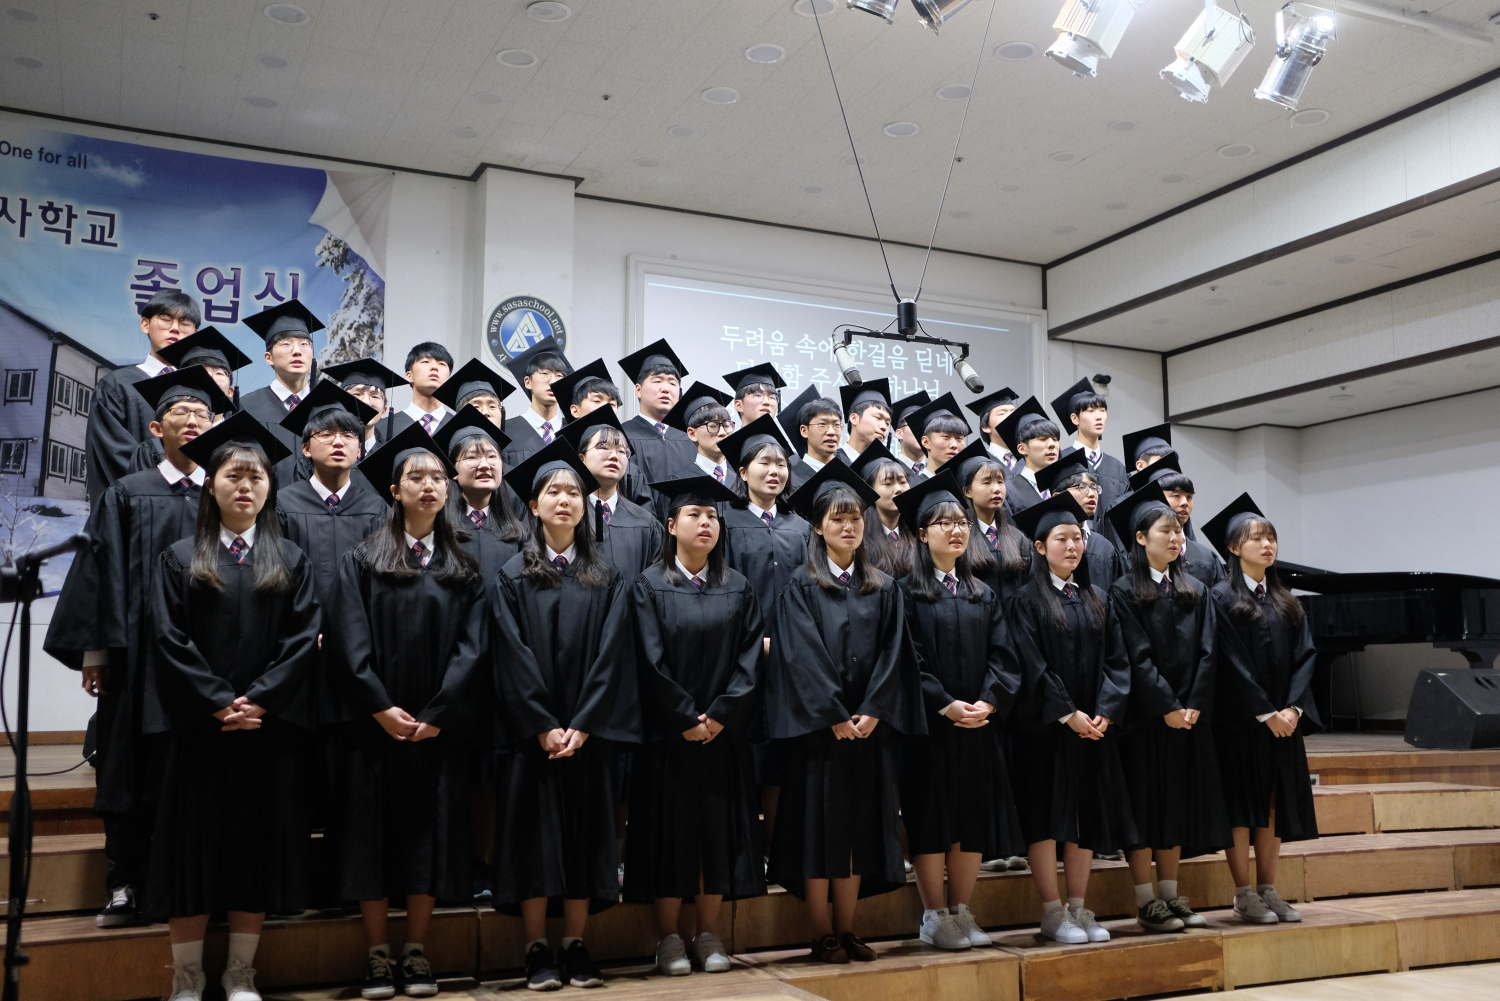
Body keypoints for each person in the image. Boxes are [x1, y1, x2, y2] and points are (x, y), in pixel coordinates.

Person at [45, 366, 231, 929]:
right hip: (137, 659)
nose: (193, 421)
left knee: (198, 776)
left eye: (202, 414)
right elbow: (97, 574)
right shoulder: (128, 493)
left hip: (209, 663)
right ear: (155, 428)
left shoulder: (229, 495)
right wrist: (96, 653)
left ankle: (193, 887)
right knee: (127, 770)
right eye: (181, 413)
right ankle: (124, 883)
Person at [147, 416, 317, 1001]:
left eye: (256, 477)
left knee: (255, 849)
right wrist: (219, 702)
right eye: (233, 476)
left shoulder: (290, 560)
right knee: (189, 853)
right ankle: (187, 976)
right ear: (210, 484)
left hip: (266, 731)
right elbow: (168, 639)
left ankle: (240, 971)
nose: (245, 486)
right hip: (199, 730)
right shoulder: (179, 559)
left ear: (270, 488)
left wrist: (260, 699)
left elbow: (303, 640)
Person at [322, 423, 489, 1000]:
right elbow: (348, 642)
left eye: (438, 477)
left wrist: (439, 712)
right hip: (375, 730)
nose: (430, 485)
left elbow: (473, 648)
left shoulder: (463, 567)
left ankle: (415, 951)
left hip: (437, 731)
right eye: (417, 477)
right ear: (395, 490)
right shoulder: (363, 560)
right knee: (371, 841)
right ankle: (376, 953)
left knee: (428, 840)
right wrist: (381, 709)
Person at [489, 439, 641, 992]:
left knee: (585, 837)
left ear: (585, 505)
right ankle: (535, 947)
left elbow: (612, 655)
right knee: (532, 838)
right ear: (533, 506)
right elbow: (510, 654)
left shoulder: (607, 576)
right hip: (532, 736)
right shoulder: (512, 575)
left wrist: (583, 724)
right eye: (553, 491)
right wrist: (542, 725)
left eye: (574, 492)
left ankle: (575, 944)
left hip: (586, 735)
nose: (564, 500)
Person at [764, 461, 924, 966]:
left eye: (855, 517)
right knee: (818, 833)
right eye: (837, 518)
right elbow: (799, 656)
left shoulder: (883, 586)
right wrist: (833, 713)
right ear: (817, 526)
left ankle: (848, 927)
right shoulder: (800, 585)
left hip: (869, 733)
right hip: (818, 734)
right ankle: (821, 931)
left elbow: (895, 654)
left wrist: (874, 710)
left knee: (857, 831)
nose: (849, 526)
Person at [625, 474, 765, 978]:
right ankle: (668, 937)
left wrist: (722, 714)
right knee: (668, 835)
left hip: (723, 737)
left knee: (715, 832)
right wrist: (684, 717)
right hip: (669, 737)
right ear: (671, 525)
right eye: (694, 515)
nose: (706, 523)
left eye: (712, 517)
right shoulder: (648, 585)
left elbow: (751, 658)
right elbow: (648, 660)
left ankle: (707, 933)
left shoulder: (739, 586)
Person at [892, 472, 1024, 952]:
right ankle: (933, 915)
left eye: (961, 523)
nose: (955, 530)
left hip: (978, 725)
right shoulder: (903, 593)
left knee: (970, 819)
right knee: (930, 818)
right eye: (943, 523)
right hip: (928, 728)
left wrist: (989, 700)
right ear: (921, 534)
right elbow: (906, 660)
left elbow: (1004, 656)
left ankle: (962, 910)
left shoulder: (982, 593)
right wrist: (946, 704)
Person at [1007, 493, 1135, 946]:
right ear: (1040, 547)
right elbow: (1031, 665)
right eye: (1061, 539)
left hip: (1094, 729)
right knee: (1044, 817)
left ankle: (1079, 908)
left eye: (1077, 538)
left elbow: (1119, 661)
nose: (1072, 546)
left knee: (1086, 815)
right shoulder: (1025, 601)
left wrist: (1105, 711)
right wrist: (1068, 713)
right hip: (1045, 730)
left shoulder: (1098, 597)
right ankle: (1051, 912)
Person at [1104, 484, 1230, 935]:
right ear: (1140, 538)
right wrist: (1167, 706)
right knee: (1144, 808)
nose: (1176, 539)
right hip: (1144, 720)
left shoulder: (1196, 589)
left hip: (1189, 719)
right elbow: (1134, 656)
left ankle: (1171, 894)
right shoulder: (1122, 592)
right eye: (1165, 531)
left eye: (1178, 531)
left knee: (1176, 805)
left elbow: (1210, 652)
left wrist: (1193, 703)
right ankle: (1145, 900)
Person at [1202, 494, 1320, 927]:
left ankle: (1268, 887)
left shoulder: (1286, 600)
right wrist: (1265, 712)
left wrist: (1293, 708)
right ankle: (1243, 892)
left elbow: (1306, 657)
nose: (1268, 545)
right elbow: (1228, 663)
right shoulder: (1219, 598)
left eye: (1271, 538)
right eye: (1257, 539)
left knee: (1273, 803)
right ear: (1234, 548)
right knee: (1241, 807)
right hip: (1240, 723)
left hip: (1284, 723)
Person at [719, 415, 812, 848]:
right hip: (739, 656)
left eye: (781, 464)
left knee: (779, 755)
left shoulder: (801, 526)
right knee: (741, 750)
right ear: (742, 471)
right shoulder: (725, 520)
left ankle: (778, 850)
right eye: (764, 463)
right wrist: (753, 642)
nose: (775, 471)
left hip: (791, 660)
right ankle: (743, 852)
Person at [276, 382, 390, 602]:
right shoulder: (284, 504)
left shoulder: (376, 508)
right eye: (326, 434)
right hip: (299, 619)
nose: (338, 442)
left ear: (359, 450)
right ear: (306, 448)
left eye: (348, 435)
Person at [86, 290, 202, 506]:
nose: (175, 328)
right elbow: (112, 454)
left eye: (185, 323)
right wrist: (168, 484)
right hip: (138, 505)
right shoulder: (117, 385)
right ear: (145, 324)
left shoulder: (202, 390)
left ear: (195, 333)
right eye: (166, 319)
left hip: (195, 508)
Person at [121, 327, 256, 477]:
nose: (210, 377)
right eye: (202, 370)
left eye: (219, 373)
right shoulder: (154, 448)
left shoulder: (244, 444)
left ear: (231, 391)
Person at [563, 406, 663, 580]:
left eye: (622, 451)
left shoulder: (646, 522)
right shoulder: (565, 514)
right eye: (603, 447)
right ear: (582, 458)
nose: (614, 456)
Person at [1124, 454, 1224, 586]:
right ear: (1156, 497)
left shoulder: (1207, 556)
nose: (1185, 503)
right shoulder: (1132, 557)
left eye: (1189, 497)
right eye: (1176, 495)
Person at [949, 439, 1030, 601]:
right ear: (967, 491)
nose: (997, 489)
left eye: (1000, 482)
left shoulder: (1018, 538)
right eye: (987, 482)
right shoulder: (958, 538)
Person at [239, 300, 322, 455]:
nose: (297, 351)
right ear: (269, 357)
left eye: (304, 344)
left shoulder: (326, 406)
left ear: (312, 354)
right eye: (286, 343)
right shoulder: (248, 407)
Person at [1037, 449, 1126, 591]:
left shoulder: (1105, 548)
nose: (1092, 494)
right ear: (1057, 496)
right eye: (1082, 487)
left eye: (1094, 487)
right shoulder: (1045, 545)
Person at [619, 340, 697, 492]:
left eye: (672, 383)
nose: (666, 389)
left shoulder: (692, 438)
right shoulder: (622, 435)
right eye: (657, 381)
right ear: (638, 390)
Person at [1051, 378, 1129, 517]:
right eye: (1091, 411)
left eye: (1102, 410)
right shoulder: (1062, 461)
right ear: (1075, 418)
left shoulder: (1118, 468)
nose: (1099, 417)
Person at [501, 336, 574, 467]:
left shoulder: (573, 432)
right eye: (545, 374)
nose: (553, 381)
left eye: (559, 376)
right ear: (528, 382)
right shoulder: (506, 431)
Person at [850, 442, 915, 579]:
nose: (898, 489)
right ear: (869, 491)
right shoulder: (858, 542)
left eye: (903, 482)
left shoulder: (919, 537)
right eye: (888, 483)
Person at [321, 358, 409, 454]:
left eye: (375, 396)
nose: (366, 402)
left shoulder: (391, 457)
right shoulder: (323, 452)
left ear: (384, 411)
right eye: (357, 394)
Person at [996, 398, 1061, 516]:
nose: (1052, 444)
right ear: (1022, 448)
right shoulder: (1008, 491)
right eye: (1043, 439)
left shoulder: (1063, 485)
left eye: (1055, 439)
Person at [786, 395, 845, 492]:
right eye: (823, 424)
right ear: (804, 431)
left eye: (836, 425)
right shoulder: (789, 480)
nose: (831, 432)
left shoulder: (849, 474)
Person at [905, 394, 971, 478]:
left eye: (959, 438)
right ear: (926, 442)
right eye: (946, 437)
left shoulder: (968, 485)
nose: (954, 445)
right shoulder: (911, 484)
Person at [966, 387, 1019, 473]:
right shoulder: (979, 465)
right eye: (1002, 413)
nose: (1011, 417)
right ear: (986, 427)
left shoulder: (1030, 460)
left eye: (1013, 412)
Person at [837, 379, 891, 463]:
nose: (884, 427)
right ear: (854, 419)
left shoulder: (882, 467)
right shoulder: (830, 460)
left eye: (887, 423)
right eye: (878, 417)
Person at [889, 390, 933, 479]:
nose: (922, 431)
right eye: (915, 425)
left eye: (926, 426)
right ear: (899, 433)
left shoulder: (935, 473)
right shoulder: (888, 471)